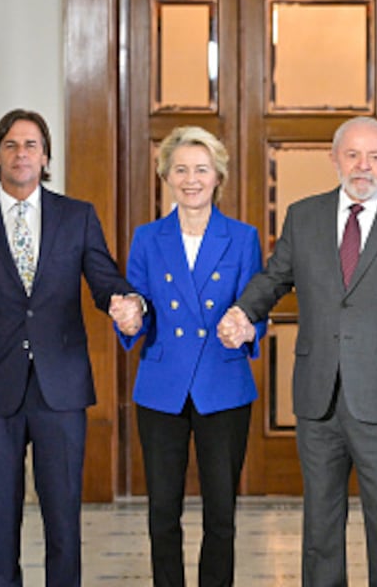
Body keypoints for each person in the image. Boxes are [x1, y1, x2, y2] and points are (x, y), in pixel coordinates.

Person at [218, 116, 377, 587]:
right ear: (334, 159)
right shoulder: (303, 215)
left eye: (374, 157)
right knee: (321, 526)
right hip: (319, 397)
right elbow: (274, 277)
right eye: (352, 155)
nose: (362, 166)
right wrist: (243, 312)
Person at [0, 109, 140, 587]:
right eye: (10, 145)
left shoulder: (78, 216)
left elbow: (104, 279)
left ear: (45, 157)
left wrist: (127, 303)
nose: (20, 153)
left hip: (60, 388)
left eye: (31, 145)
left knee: (63, 516)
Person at [109, 126, 265, 587]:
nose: (191, 179)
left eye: (201, 169)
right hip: (163, 386)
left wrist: (248, 327)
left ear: (218, 176)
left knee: (221, 512)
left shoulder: (242, 237)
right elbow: (138, 302)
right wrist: (131, 316)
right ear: (166, 177)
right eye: (181, 169)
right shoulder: (147, 237)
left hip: (223, 384)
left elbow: (256, 304)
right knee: (162, 512)